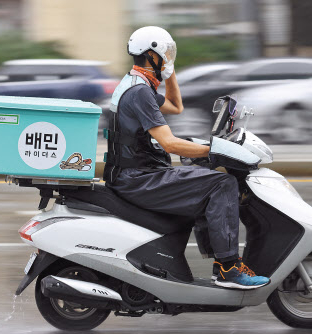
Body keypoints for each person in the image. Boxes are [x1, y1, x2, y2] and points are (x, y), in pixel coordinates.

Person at [103, 26, 269, 290]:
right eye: (166, 53)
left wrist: (169, 72)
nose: (170, 57)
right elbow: (169, 143)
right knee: (221, 184)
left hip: (134, 173)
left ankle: (220, 262)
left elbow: (176, 107)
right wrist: (218, 150)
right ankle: (228, 268)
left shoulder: (136, 83)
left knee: (205, 181)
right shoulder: (139, 92)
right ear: (152, 54)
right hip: (139, 178)